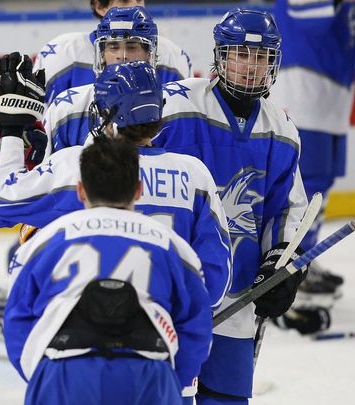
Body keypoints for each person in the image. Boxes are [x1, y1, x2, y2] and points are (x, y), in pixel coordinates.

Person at [0, 58, 231, 315]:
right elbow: (215, 282)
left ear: (107, 113)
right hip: (162, 336)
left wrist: (11, 131)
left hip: (82, 327)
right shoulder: (194, 174)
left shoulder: (80, 166)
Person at [152, 8, 308, 403]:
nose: (250, 67)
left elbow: (287, 213)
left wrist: (283, 264)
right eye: (241, 54)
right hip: (169, 296)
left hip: (237, 300)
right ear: (221, 56)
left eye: (261, 57)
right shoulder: (175, 106)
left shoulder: (281, 130)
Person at [3, 135, 212, 404]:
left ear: (80, 190)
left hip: (65, 371)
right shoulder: (174, 247)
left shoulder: (45, 240)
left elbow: (16, 318)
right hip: (148, 372)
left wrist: (42, 375)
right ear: (138, 190)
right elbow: (197, 326)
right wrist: (173, 381)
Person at [268, 0, 353, 310]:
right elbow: (309, 16)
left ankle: (307, 259)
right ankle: (290, 267)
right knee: (306, 183)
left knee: (323, 181)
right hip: (303, 92)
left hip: (332, 97)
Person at [42, 6, 160, 154]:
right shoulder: (68, 106)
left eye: (132, 47)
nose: (122, 56)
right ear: (102, 54)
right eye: (113, 46)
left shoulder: (171, 105)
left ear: (149, 54)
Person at [34, 0, 191, 106]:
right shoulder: (64, 53)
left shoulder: (173, 56)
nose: (136, 7)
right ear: (99, 6)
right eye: (124, 0)